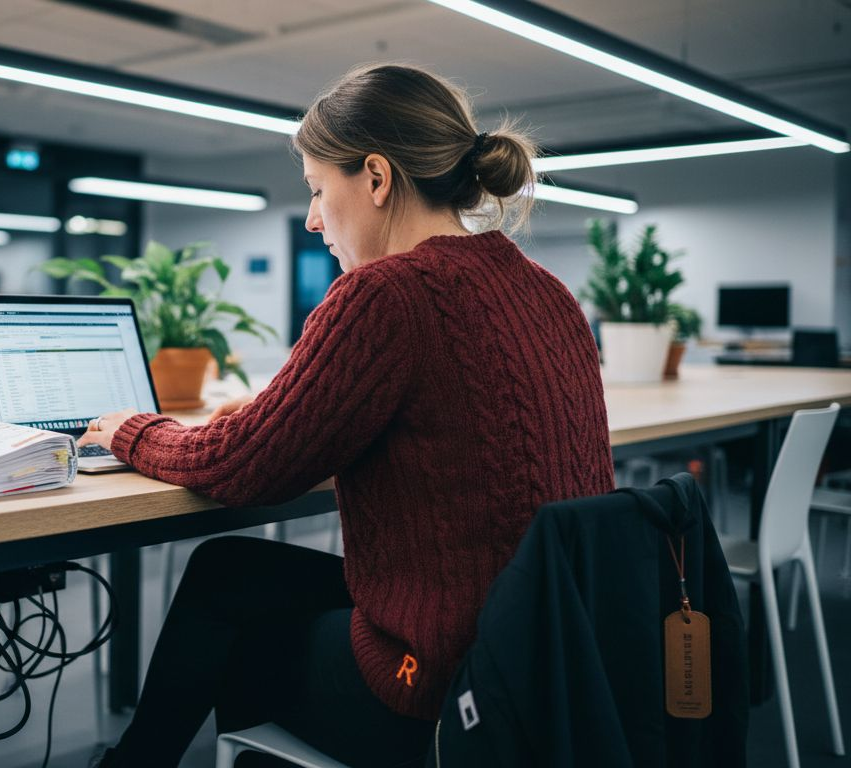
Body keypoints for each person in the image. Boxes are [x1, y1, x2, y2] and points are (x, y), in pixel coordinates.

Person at [80, 63, 615, 768]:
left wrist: (131, 429)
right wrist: (276, 412)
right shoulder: (544, 289)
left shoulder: (385, 293)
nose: (311, 218)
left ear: (375, 177)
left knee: (232, 638)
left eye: (316, 189)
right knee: (228, 572)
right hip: (557, 664)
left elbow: (241, 468)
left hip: (443, 691)